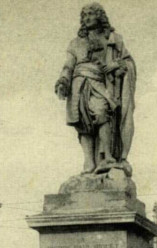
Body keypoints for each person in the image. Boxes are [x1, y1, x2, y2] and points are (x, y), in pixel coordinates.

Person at [55, 3, 136, 177]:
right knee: (81, 122)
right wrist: (63, 81)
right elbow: (68, 66)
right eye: (84, 16)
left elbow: (127, 62)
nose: (87, 18)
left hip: (100, 85)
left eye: (91, 14)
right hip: (78, 85)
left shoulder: (113, 39)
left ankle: (107, 156)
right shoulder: (75, 43)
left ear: (100, 16)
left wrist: (116, 65)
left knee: (101, 113)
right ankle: (89, 163)